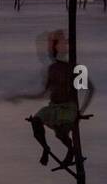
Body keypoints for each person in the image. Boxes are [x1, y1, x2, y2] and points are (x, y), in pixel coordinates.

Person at [8, 31, 92, 167]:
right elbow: (43, 93)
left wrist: (81, 111)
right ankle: (46, 148)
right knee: (36, 121)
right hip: (53, 107)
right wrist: (21, 96)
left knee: (61, 132)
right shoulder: (51, 69)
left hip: (68, 108)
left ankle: (71, 150)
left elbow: (89, 89)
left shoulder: (74, 68)